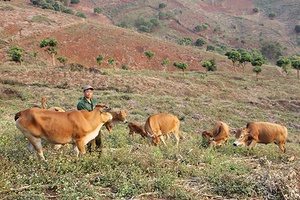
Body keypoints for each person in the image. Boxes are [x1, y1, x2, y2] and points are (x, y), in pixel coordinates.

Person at [77, 85, 103, 153]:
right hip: (87, 125)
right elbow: (84, 115)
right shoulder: (81, 103)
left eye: (90, 92)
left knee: (99, 140)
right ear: (84, 92)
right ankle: (90, 155)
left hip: (95, 124)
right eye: (87, 91)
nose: (89, 93)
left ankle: (99, 156)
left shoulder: (93, 102)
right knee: (90, 142)